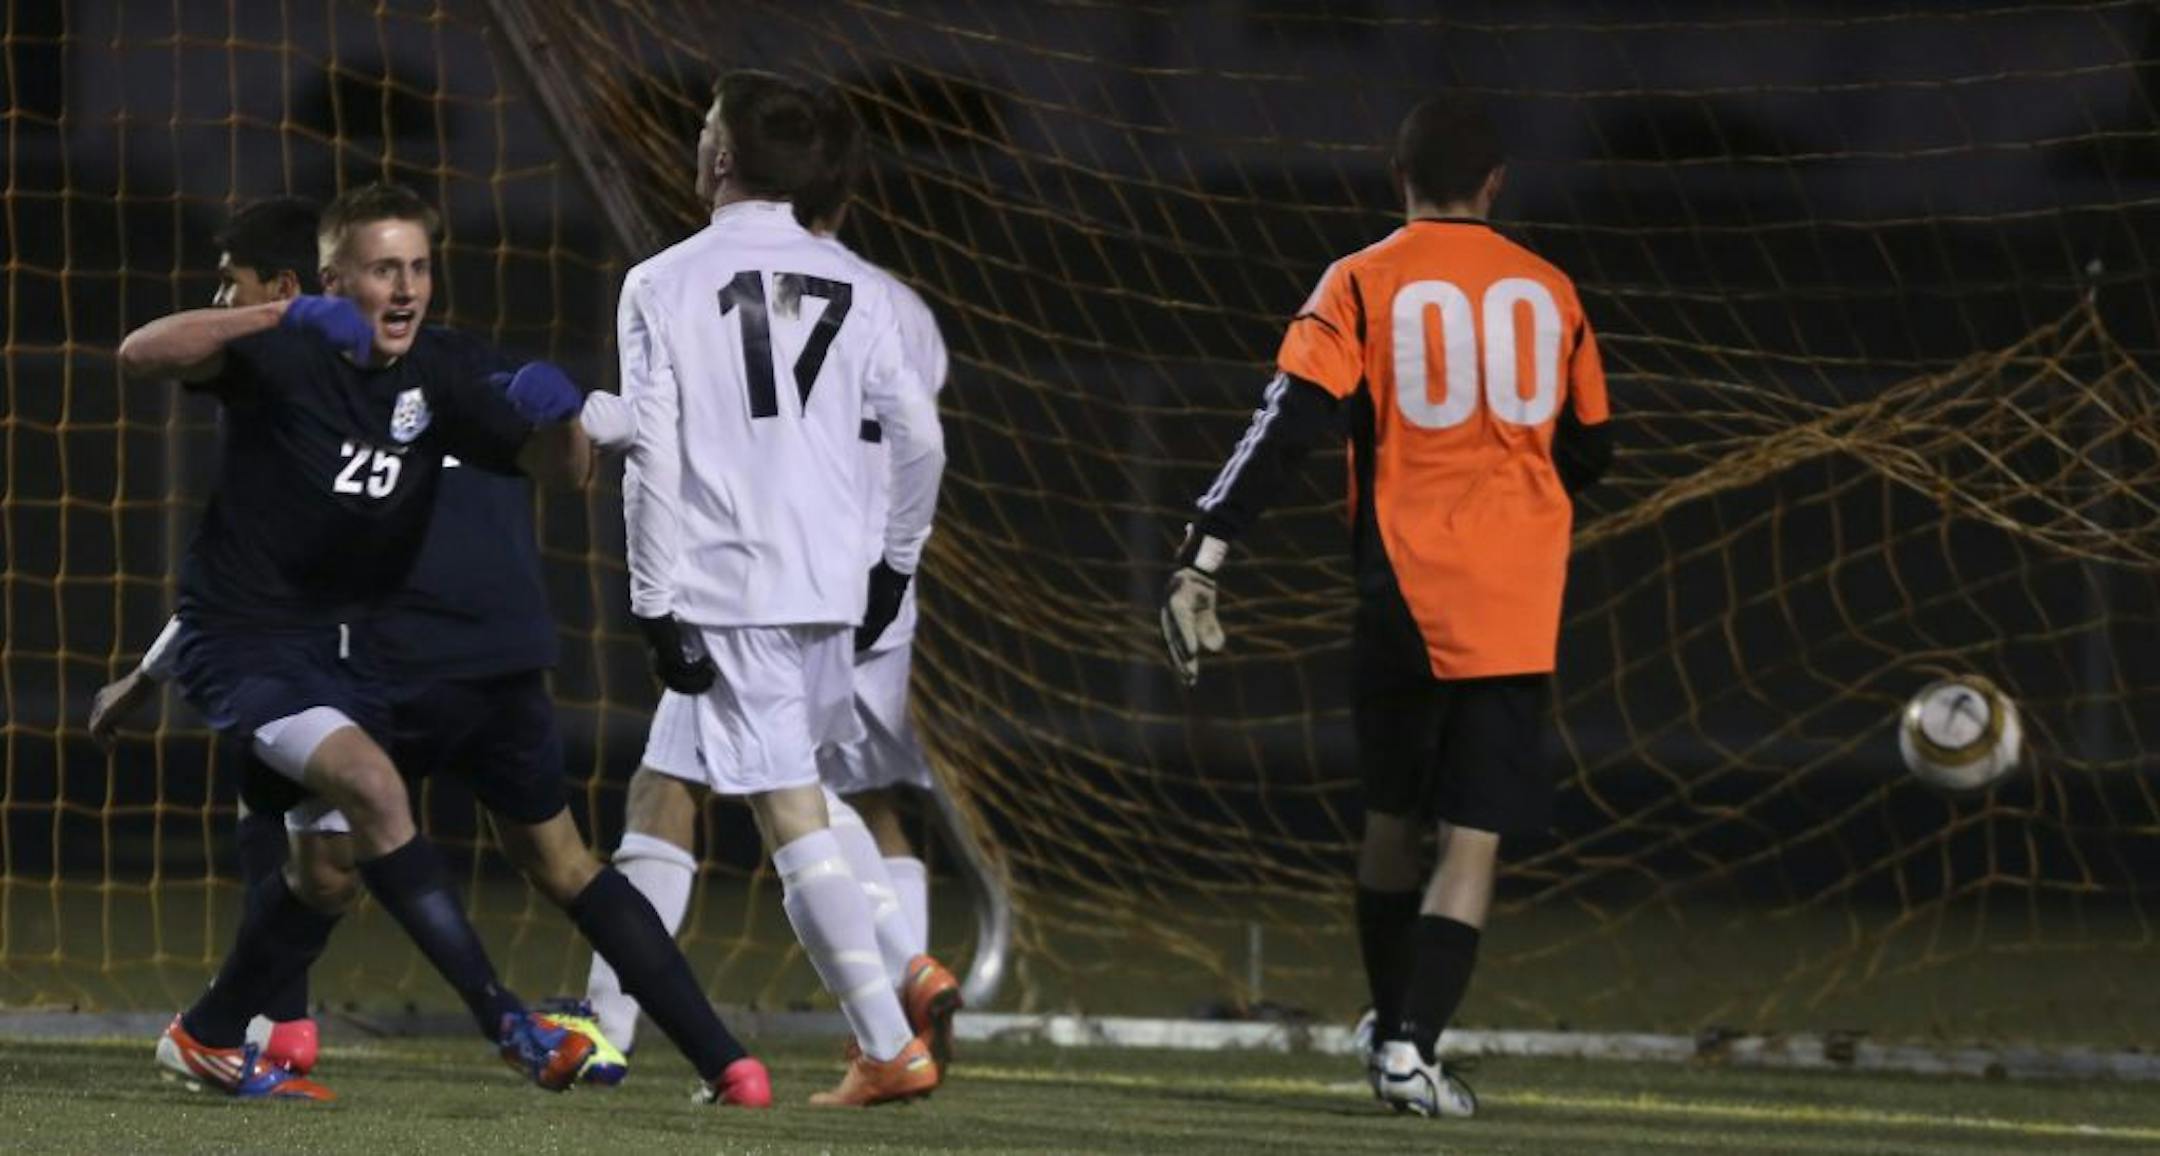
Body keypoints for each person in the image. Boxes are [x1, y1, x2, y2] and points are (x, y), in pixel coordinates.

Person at [98, 197, 772, 1106]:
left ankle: (217, 1032)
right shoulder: (284, 354)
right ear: (334, 283)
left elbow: (565, 474)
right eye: (384, 270)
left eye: (418, 268)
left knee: (325, 872)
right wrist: (277, 312)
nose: (406, 288)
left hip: (343, 656)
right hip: (247, 649)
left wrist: (558, 417)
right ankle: (502, 1021)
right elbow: (139, 352)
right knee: (372, 796)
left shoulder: (443, 373)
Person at [1158, 92, 1614, 1119]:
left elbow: (1287, 425)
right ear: (1496, 185)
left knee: (1388, 821)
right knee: (1473, 839)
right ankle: (1409, 1045)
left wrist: (1205, 555)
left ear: (1393, 177)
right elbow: (1594, 447)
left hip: (1399, 586)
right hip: (1511, 598)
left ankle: (1391, 1028)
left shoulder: (1361, 280)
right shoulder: (1552, 291)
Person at [583, 87, 964, 1075]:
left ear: (718, 161)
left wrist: (652, 599)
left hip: (728, 586)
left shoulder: (661, 282)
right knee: (671, 783)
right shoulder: (866, 288)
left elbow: (655, 457)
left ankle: (890, 1036)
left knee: (794, 813)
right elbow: (922, 438)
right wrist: (895, 561)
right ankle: (606, 1026)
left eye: (705, 132)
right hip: (833, 588)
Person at [91, 196, 330, 1075]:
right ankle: (281, 1023)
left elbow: (144, 351)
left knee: (342, 831)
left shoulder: (296, 383)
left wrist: (150, 677)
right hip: (325, 639)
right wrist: (150, 677)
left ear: (287, 287)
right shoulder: (310, 374)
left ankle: (257, 1024)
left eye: (230, 281)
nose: (217, 299)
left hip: (353, 646)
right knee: (297, 817)